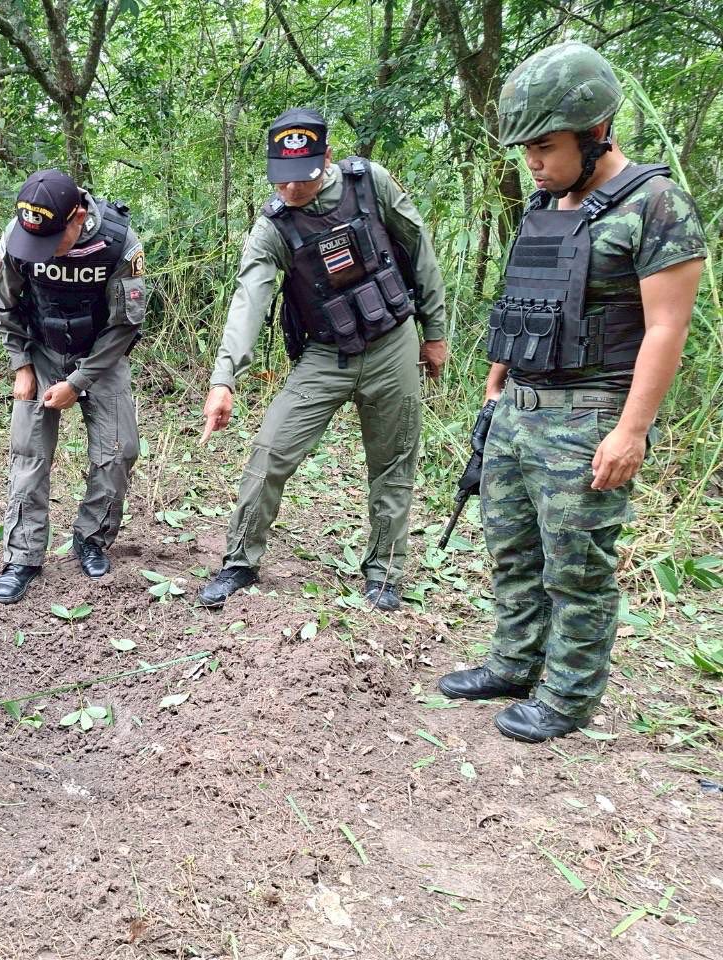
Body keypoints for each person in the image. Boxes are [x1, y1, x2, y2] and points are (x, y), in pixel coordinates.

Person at [437, 42, 705, 742]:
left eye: (545, 147)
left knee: (578, 568)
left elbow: (667, 327)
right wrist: (495, 388)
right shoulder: (547, 203)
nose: (533, 162)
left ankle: (568, 695)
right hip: (518, 409)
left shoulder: (656, 205)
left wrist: (631, 431)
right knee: (512, 551)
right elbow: (527, 300)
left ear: (596, 132)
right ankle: (514, 662)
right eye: (526, 148)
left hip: (589, 417)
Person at [198, 107, 449, 612]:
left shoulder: (370, 184)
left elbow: (418, 246)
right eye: (282, 178)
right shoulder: (273, 226)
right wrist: (225, 379)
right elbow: (249, 301)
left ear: (328, 157)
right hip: (325, 353)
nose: (292, 188)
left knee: (393, 462)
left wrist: (435, 331)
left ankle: (384, 573)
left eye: (303, 176)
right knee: (270, 453)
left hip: (392, 343)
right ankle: (240, 562)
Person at [0, 169, 146, 603]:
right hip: (41, 349)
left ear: (77, 216)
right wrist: (21, 365)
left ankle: (91, 538)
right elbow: (3, 303)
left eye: (52, 240)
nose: (42, 251)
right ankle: (23, 556)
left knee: (119, 450)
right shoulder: (19, 234)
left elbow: (125, 325)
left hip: (102, 354)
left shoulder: (118, 241)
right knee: (29, 452)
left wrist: (78, 382)